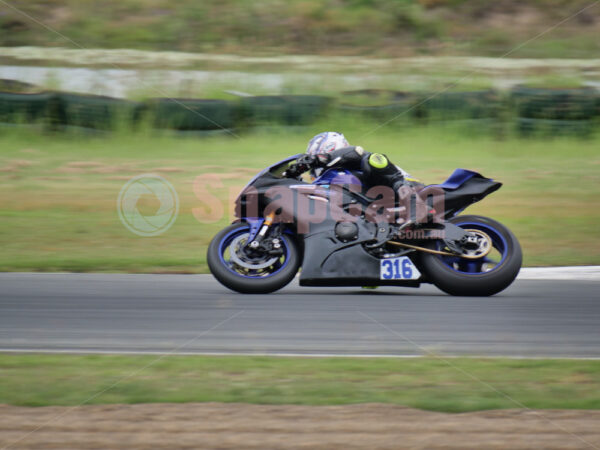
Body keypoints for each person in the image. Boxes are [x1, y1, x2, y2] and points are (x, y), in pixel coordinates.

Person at [285, 131, 421, 192]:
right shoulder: (334, 180)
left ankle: (415, 205)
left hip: (416, 189)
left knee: (372, 160)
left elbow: (356, 151)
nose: (314, 169)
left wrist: (319, 159)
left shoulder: (356, 159)